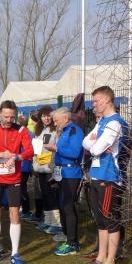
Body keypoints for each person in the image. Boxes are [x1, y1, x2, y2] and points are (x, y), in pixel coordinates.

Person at [80, 86, 129, 264]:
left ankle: (110, 262)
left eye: (96, 101)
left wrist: (97, 144)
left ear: (107, 100)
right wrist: (97, 144)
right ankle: (100, 258)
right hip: (96, 175)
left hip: (110, 178)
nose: (93, 105)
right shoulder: (102, 122)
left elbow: (95, 149)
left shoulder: (115, 123)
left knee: (111, 219)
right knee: (100, 219)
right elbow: (86, 143)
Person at [0, 100, 34, 264]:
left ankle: (15, 253)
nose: (8, 120)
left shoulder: (21, 130)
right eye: (5, 116)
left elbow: (30, 151)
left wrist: (17, 157)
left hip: (14, 180)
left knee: (15, 215)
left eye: (12, 117)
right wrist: (0, 155)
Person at [45, 107, 85, 256]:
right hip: (62, 173)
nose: (54, 123)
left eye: (56, 121)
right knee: (63, 206)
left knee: (68, 207)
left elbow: (74, 152)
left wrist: (56, 149)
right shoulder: (65, 131)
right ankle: (68, 237)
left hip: (71, 174)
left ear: (65, 119)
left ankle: (73, 243)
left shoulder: (75, 130)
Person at [31, 107, 61, 233]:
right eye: (43, 116)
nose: (46, 118)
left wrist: (52, 164)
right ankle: (48, 221)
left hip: (50, 168)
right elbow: (36, 150)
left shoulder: (56, 130)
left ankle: (57, 224)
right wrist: (35, 164)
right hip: (40, 168)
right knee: (44, 195)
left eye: (48, 115)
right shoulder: (39, 130)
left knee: (52, 195)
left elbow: (57, 148)